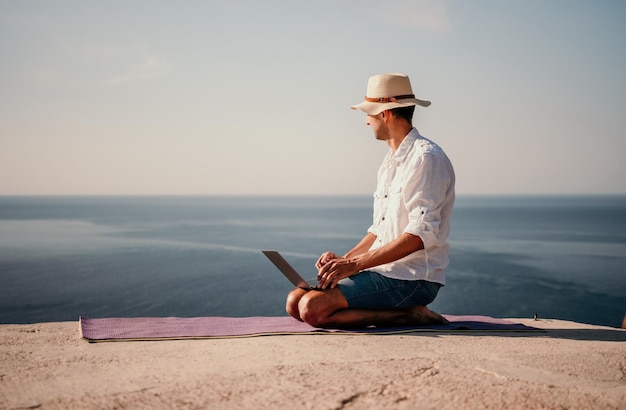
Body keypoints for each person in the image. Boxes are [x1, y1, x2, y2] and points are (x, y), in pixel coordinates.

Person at [286, 73, 455, 328]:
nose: (366, 122)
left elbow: (421, 235)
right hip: (382, 271)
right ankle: (404, 313)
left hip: (414, 279)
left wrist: (353, 265)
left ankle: (411, 315)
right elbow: (379, 231)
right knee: (294, 301)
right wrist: (341, 262)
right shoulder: (389, 163)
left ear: (385, 113)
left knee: (312, 308)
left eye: (368, 114)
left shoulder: (425, 158)